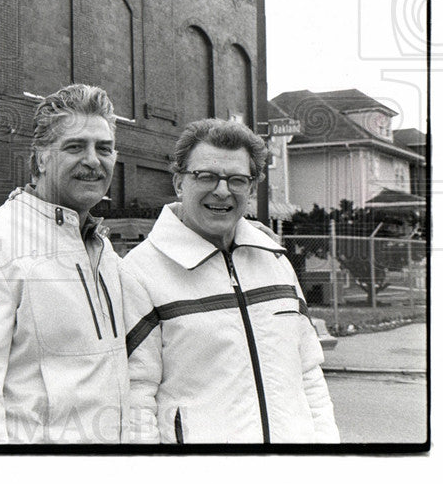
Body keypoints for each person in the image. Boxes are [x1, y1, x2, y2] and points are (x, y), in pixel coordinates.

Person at [120, 118, 339, 444]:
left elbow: (308, 374)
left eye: (237, 179)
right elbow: (137, 399)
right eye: (205, 176)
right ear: (179, 182)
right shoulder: (140, 273)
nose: (222, 190)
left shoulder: (275, 260)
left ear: (251, 188)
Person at [0, 84, 128, 443]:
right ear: (40, 157)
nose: (93, 160)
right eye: (75, 146)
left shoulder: (103, 250)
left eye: (104, 148)